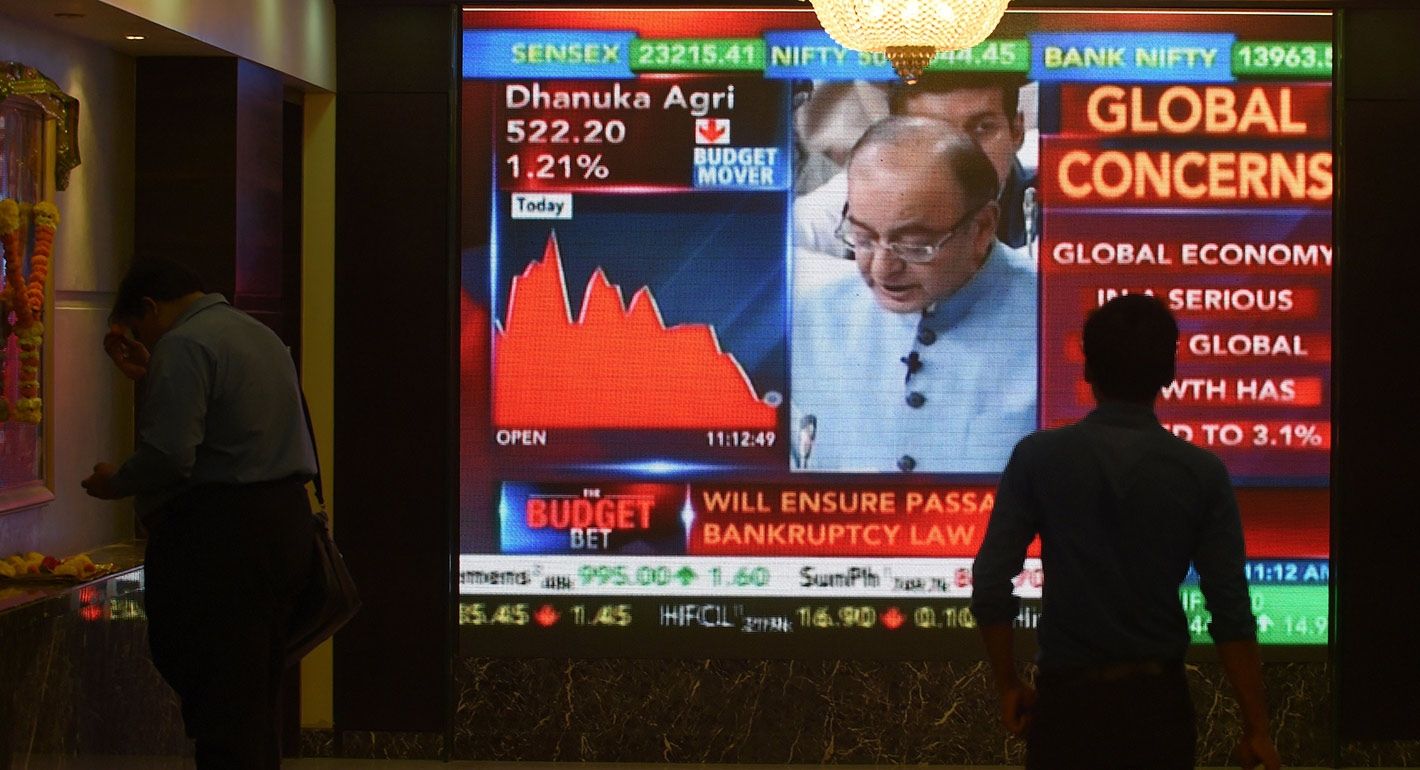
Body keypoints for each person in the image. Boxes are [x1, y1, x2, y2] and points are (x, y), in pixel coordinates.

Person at [970, 294, 1281, 770]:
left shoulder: (1037, 458)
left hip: (1066, 713)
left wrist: (1008, 684)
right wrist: (1256, 727)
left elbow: (991, 579)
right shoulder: (1202, 473)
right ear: (1169, 373)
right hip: (1158, 712)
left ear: (1087, 370)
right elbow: (1230, 608)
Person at [81, 259, 318, 769]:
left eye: (138, 329)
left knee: (221, 705)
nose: (146, 340)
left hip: (225, 540)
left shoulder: (184, 345)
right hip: (283, 527)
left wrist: (113, 483)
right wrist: (156, 372)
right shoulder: (257, 334)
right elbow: (231, 416)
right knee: (253, 698)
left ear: (150, 307)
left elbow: (169, 456)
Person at [790, 116, 1036, 473]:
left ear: (982, 227)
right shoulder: (809, 320)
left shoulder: (1060, 326)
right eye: (863, 239)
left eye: (914, 245)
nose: (882, 270)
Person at [795, 72, 1036, 254]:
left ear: (1017, 131)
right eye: (934, 131)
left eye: (983, 128)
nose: (962, 158)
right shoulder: (837, 208)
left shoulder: (1052, 207)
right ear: (897, 136)